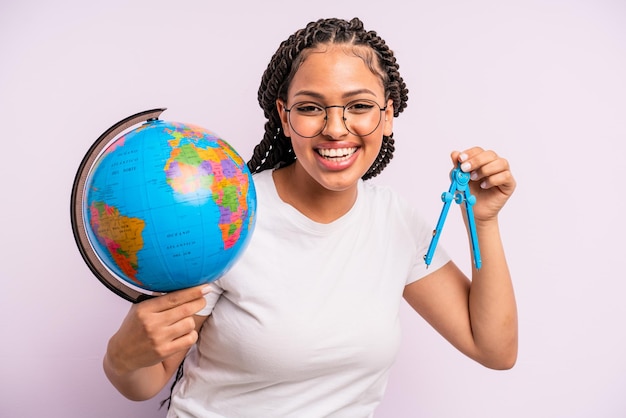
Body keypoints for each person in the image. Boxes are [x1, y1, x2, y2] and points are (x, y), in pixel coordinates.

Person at [103, 17, 518, 417]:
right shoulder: (227, 215)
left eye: (358, 105)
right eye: (310, 108)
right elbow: (144, 382)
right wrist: (121, 357)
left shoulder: (395, 220)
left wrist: (483, 221)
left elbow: (494, 349)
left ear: (387, 116)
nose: (336, 129)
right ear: (284, 117)